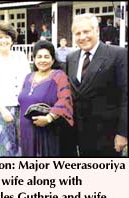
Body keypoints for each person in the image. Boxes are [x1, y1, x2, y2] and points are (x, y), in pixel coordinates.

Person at [66, 13, 128, 157]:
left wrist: (123, 133)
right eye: (77, 33)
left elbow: (126, 96)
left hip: (108, 136)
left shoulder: (118, 55)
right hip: (79, 134)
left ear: (97, 30)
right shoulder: (71, 58)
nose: (82, 37)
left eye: (86, 32)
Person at [18, 40, 75, 157]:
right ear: (34, 59)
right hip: (26, 131)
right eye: (39, 57)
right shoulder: (28, 77)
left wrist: (49, 118)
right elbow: (22, 102)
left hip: (47, 130)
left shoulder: (59, 75)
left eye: (46, 57)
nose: (42, 60)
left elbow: (65, 99)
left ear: (53, 60)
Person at [0, 22, 30, 156]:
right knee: (2, 150)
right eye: (0, 37)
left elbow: (28, 84)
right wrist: (3, 111)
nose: (4, 40)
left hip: (21, 110)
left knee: (22, 149)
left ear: (12, 39)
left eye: (7, 37)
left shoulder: (21, 57)